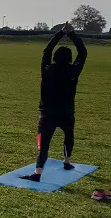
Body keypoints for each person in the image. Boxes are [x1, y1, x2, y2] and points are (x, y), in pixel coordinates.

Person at [21, 22, 87, 182]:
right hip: (67, 112)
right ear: (70, 59)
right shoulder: (73, 71)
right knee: (68, 135)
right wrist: (71, 34)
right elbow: (83, 52)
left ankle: (37, 173)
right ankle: (67, 162)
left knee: (43, 144)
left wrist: (60, 33)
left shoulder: (47, 69)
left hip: (47, 114)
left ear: (55, 58)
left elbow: (47, 50)